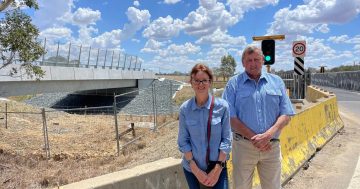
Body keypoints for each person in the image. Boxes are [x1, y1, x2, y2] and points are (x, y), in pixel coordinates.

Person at [222, 46, 295, 189]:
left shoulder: (276, 81)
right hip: (243, 147)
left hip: (271, 147)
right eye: (249, 60)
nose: (253, 63)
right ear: (243, 63)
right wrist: (256, 139)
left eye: (256, 59)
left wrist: (267, 135)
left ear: (263, 60)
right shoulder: (233, 84)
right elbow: (230, 118)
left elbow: (286, 115)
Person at [178, 63, 232, 189]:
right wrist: (196, 171)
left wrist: (217, 169)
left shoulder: (223, 107)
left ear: (210, 82)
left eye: (204, 80)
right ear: (191, 82)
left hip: (218, 167)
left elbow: (227, 140)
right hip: (192, 170)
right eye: (196, 80)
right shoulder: (185, 109)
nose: (200, 84)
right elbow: (183, 141)